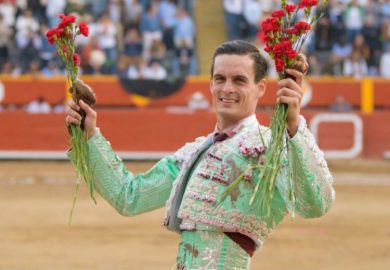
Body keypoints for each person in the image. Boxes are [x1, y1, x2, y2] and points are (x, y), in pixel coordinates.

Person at [65, 40, 335, 269]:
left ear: (261, 88)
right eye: (220, 79)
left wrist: (292, 128)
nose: (227, 88)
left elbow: (315, 204)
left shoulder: (268, 146)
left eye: (239, 80)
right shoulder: (194, 155)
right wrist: (89, 137)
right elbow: (129, 197)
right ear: (210, 84)